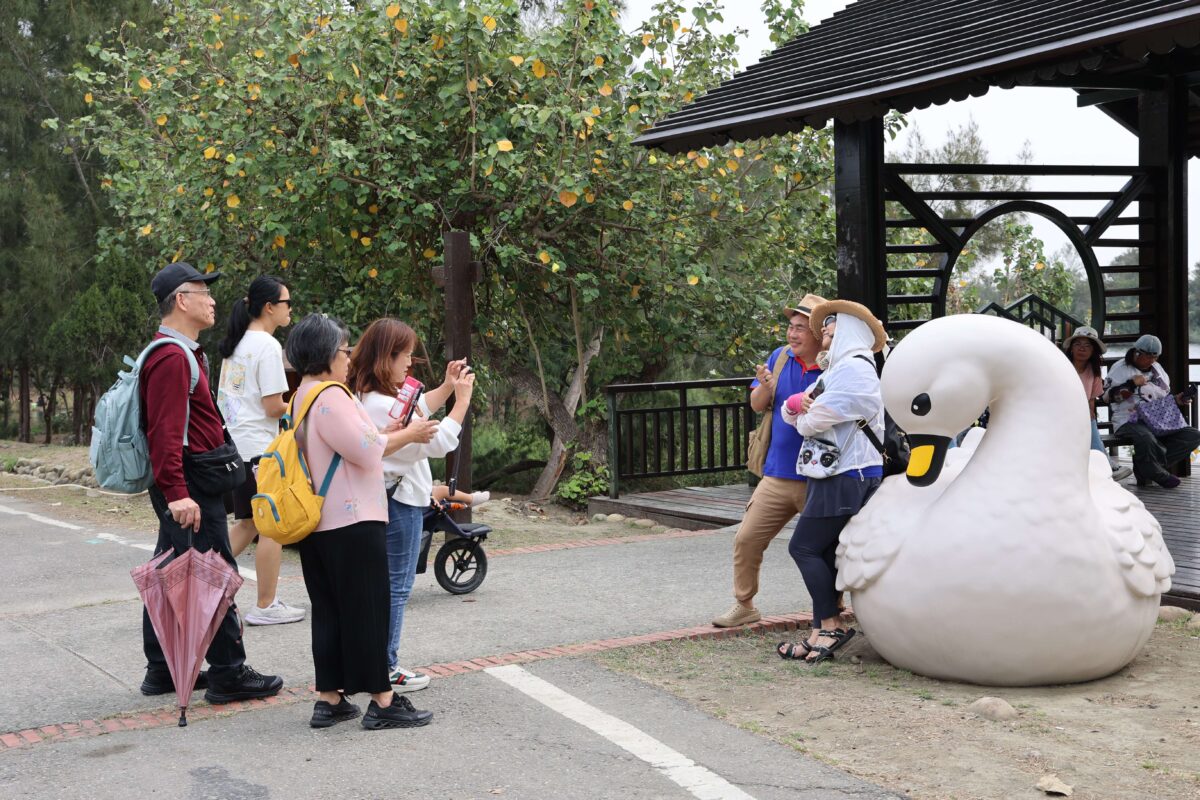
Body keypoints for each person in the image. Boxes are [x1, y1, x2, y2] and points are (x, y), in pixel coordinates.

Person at [139, 262, 283, 704]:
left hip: (189, 480)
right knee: (215, 573)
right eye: (204, 292)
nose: (213, 300)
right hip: (191, 485)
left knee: (168, 569)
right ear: (182, 300)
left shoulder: (180, 352)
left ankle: (162, 668)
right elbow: (164, 433)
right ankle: (228, 673)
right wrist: (178, 494)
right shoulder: (171, 357)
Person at [285, 313, 436, 729]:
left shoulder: (301, 395)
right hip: (353, 518)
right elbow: (368, 451)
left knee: (330, 611)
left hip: (319, 521)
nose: (348, 357)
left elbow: (356, 441)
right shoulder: (332, 395)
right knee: (368, 610)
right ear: (325, 354)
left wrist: (389, 432)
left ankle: (329, 698)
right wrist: (410, 434)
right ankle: (383, 702)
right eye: (343, 350)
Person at [350, 318, 473, 690]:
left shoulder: (370, 396)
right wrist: (461, 401)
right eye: (404, 355)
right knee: (397, 586)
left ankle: (374, 663)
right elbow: (437, 442)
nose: (409, 362)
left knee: (384, 585)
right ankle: (386, 667)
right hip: (399, 502)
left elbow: (418, 410)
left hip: (389, 497)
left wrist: (446, 387)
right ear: (385, 357)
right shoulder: (381, 404)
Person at [775, 300, 886, 664]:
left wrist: (801, 410)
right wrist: (798, 407)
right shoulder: (837, 370)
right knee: (822, 551)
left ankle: (831, 624)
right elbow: (790, 410)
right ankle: (818, 630)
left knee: (803, 548)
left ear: (850, 332)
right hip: (837, 471)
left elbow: (809, 421)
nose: (823, 330)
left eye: (831, 327)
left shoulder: (854, 370)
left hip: (847, 473)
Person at [712, 294, 826, 628]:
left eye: (800, 327)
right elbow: (757, 404)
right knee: (747, 539)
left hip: (819, 476)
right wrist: (765, 386)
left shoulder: (834, 365)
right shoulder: (779, 357)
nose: (792, 333)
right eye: (791, 326)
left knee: (826, 547)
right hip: (777, 473)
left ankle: (831, 610)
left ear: (818, 333)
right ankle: (744, 604)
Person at [216, 275, 305, 625]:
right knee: (271, 525)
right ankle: (266, 605)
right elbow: (272, 407)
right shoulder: (267, 346)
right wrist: (305, 402)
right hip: (259, 451)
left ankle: (203, 584)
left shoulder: (238, 343)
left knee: (248, 523)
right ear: (269, 307)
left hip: (236, 446)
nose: (290, 309)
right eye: (286, 303)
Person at [1101, 334, 1200, 490]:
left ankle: (1146, 467)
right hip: (1129, 419)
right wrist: (1132, 384)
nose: (1151, 360)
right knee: (1146, 437)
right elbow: (1108, 398)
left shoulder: (1157, 369)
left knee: (1193, 435)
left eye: (1155, 357)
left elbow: (1162, 397)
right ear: (1137, 352)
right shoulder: (1120, 368)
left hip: (1156, 418)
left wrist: (1177, 399)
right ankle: (1158, 474)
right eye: (1148, 356)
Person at [1061, 327, 1133, 482]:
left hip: (1082, 413)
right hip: (1062, 412)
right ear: (1071, 348)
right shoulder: (1062, 366)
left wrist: (1091, 413)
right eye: (1078, 344)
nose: (1082, 348)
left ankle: (1106, 466)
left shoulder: (1093, 371)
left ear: (1093, 351)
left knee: (1091, 426)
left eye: (1087, 346)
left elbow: (1092, 398)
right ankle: (1108, 466)